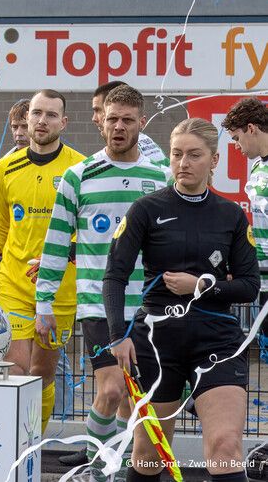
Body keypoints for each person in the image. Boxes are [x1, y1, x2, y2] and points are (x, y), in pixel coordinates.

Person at [104, 117, 259, 482]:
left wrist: (201, 285)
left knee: (224, 446)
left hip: (217, 338)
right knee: (148, 453)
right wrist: (117, 334)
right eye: (176, 154)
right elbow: (114, 276)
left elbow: (249, 285)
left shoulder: (231, 215)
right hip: (158, 341)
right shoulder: (145, 209)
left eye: (194, 155)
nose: (183, 163)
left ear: (214, 161)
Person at [36, 85, 167, 480]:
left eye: (128, 120)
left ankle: (124, 467)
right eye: (112, 119)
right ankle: (96, 470)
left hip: (148, 306)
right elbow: (56, 244)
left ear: (141, 124)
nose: (119, 127)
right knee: (111, 390)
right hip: (97, 303)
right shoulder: (78, 177)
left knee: (135, 399)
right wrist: (44, 305)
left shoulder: (160, 177)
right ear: (101, 121)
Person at [0, 90, 84, 435]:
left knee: (41, 372)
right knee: (15, 369)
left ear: (63, 123)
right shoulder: (4, 168)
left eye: (51, 115)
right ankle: (12, 441)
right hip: (14, 283)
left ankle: (34, 439)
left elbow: (87, 227)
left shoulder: (80, 168)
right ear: (27, 118)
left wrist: (60, 255)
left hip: (60, 285)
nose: (42, 121)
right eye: (37, 113)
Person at [221, 97, 268, 477]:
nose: (237, 147)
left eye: (237, 138)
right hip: (262, 284)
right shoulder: (256, 169)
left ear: (252, 128)